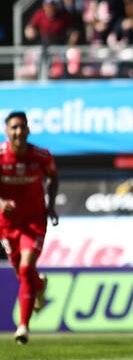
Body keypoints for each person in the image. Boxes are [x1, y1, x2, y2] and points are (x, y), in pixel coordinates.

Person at [0, 112, 59, 345]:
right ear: (7, 131)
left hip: (34, 222)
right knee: (22, 272)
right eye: (14, 127)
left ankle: (23, 326)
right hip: (7, 225)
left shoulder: (41, 156)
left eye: (22, 127)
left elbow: (53, 177)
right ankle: (40, 285)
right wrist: (1, 203)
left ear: (28, 130)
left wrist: (51, 206)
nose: (18, 132)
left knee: (25, 268)